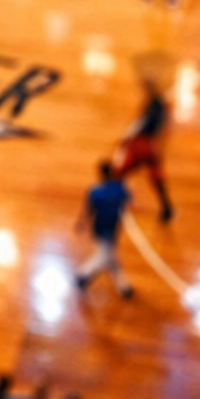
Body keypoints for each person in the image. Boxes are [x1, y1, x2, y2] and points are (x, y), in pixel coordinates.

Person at [116, 79, 174, 223]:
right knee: (156, 178)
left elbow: (141, 125)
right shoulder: (161, 107)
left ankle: (120, 200)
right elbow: (162, 129)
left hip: (141, 144)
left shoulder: (152, 106)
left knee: (120, 172)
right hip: (151, 145)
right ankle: (166, 207)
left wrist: (126, 140)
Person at [75, 159, 133, 298]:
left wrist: (81, 223)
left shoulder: (95, 192)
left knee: (109, 256)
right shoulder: (120, 189)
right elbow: (129, 201)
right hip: (112, 228)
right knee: (105, 256)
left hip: (99, 228)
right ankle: (83, 275)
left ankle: (122, 286)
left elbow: (88, 210)